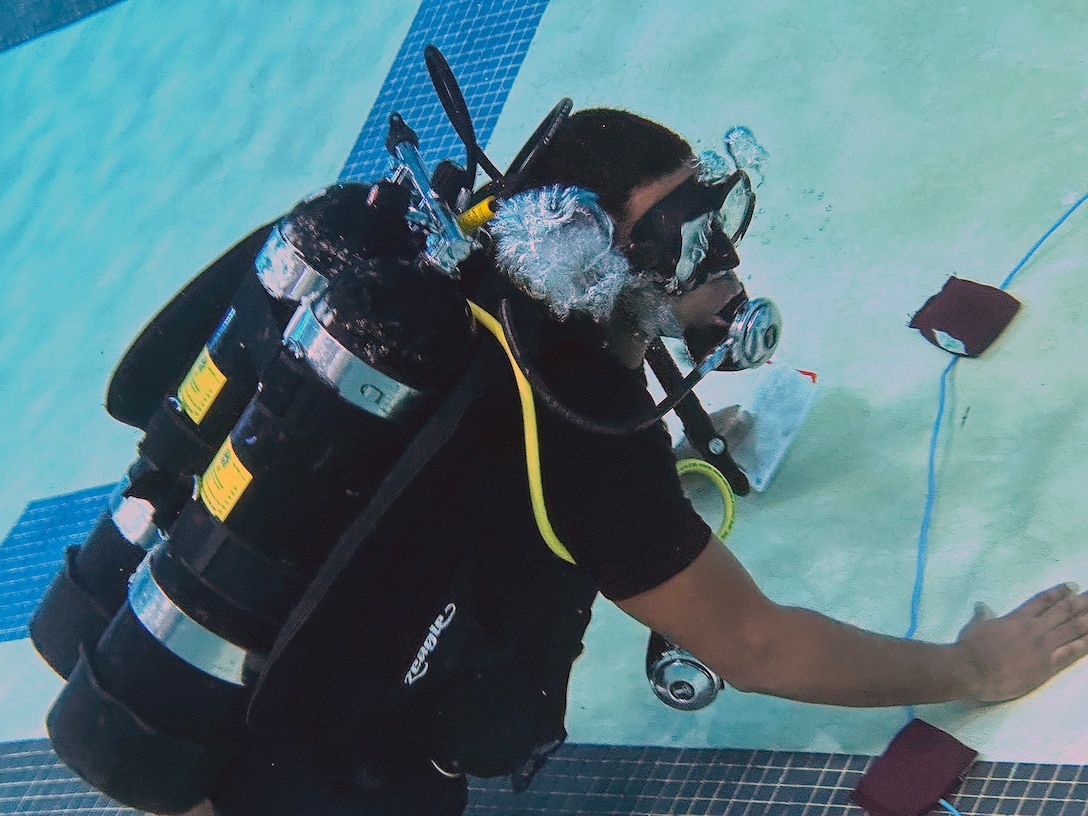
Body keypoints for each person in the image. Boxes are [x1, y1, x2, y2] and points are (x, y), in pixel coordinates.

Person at [178, 108, 1088, 816]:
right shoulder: (574, 424)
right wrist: (976, 667)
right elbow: (756, 644)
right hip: (316, 765)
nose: (720, 256)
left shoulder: (471, 287)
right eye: (684, 236)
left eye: (714, 211)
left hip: (225, 683)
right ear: (587, 256)